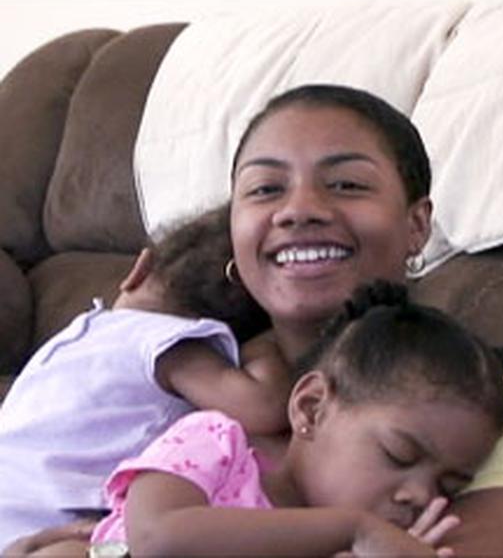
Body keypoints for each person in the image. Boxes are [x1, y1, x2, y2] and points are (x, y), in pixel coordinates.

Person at [6, 84, 503, 556]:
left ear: (418, 224)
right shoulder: (171, 386)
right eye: (265, 189)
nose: (299, 210)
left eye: (346, 184)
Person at [65, 281, 503, 556]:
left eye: (449, 488)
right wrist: (356, 530)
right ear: (311, 407)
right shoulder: (215, 443)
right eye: (399, 454)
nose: (421, 496)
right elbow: (158, 540)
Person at [0, 205, 288, 549]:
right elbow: (262, 405)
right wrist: (272, 339)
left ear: (138, 269)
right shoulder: (166, 345)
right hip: (43, 526)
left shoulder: (78, 335)